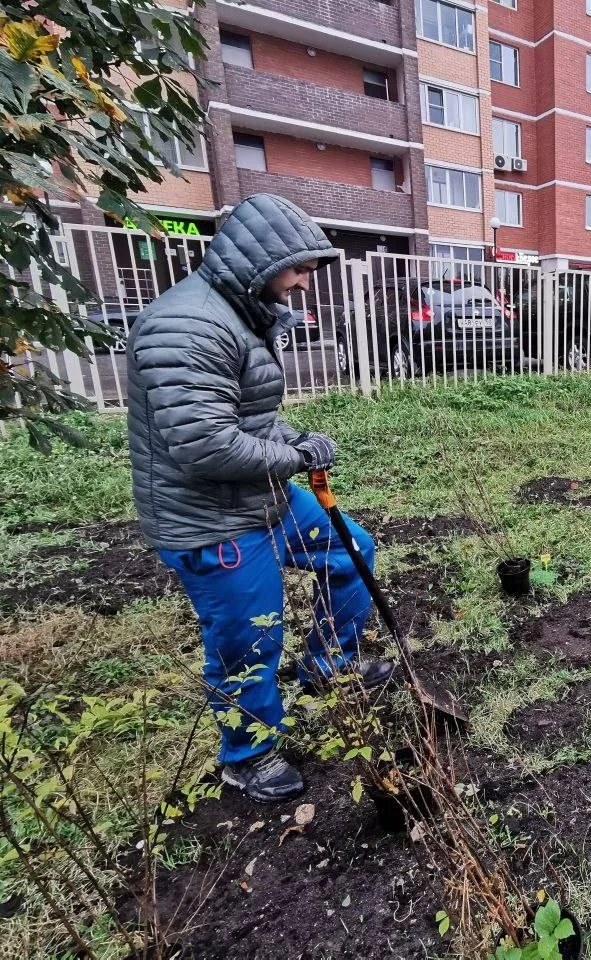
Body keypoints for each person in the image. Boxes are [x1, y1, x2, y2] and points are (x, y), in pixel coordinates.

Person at [126, 194, 394, 803]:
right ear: (262, 259)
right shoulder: (186, 325)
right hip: (209, 519)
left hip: (261, 498)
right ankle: (247, 755)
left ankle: (330, 662)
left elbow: (247, 418)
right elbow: (205, 445)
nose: (303, 284)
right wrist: (296, 458)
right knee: (249, 637)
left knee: (351, 550)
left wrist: (296, 439)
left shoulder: (239, 314)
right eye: (299, 269)